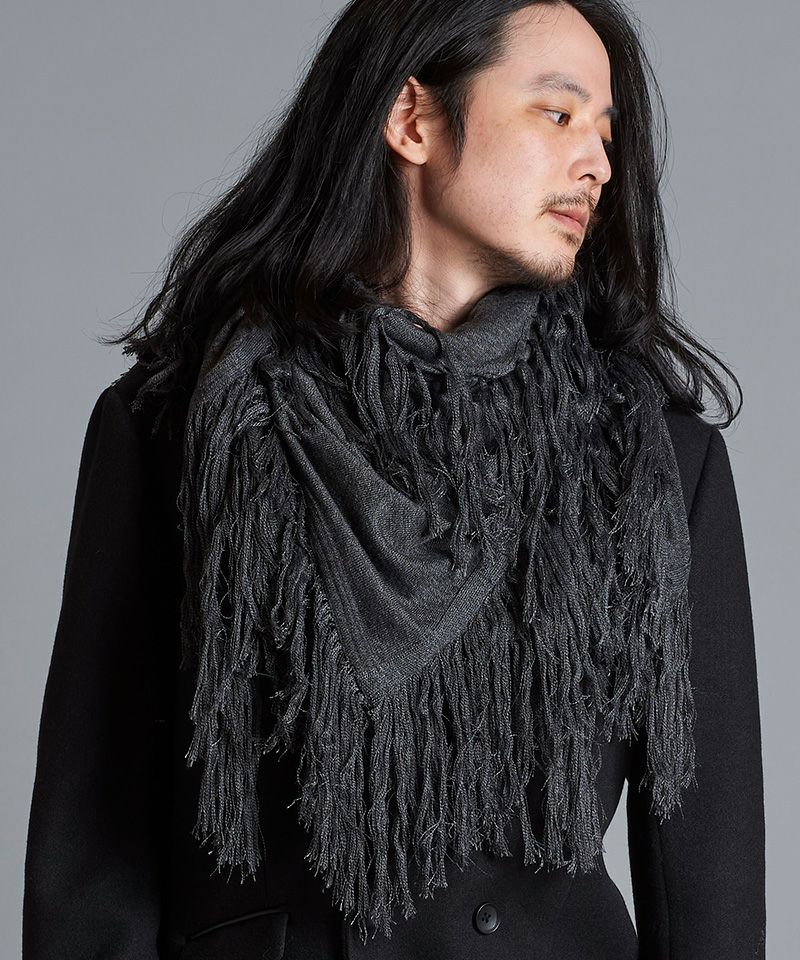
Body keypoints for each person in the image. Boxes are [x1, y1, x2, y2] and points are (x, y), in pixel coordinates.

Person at [22, 1, 766, 958]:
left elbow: (707, 882)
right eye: (557, 113)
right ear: (412, 119)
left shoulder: (651, 463)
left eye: (606, 133)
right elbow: (95, 842)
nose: (598, 163)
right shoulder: (185, 428)